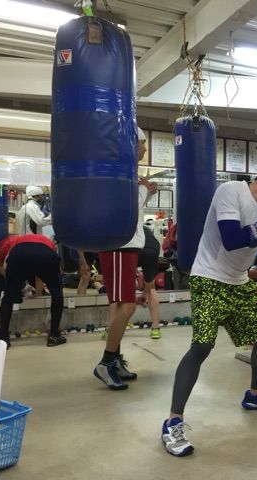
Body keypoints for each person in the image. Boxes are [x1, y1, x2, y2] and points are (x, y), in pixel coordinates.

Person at [161, 153, 257, 457]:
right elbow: (231, 238)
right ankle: (173, 422)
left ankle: (255, 394)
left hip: (239, 281)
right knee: (202, 346)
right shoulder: (230, 192)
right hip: (208, 277)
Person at [93, 127, 157, 390]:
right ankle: (106, 362)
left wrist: (145, 192)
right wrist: (143, 191)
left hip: (126, 245)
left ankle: (115, 359)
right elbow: (122, 209)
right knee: (126, 307)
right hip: (119, 244)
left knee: (120, 306)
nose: (145, 149)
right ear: (131, 144)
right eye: (142, 143)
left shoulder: (128, 172)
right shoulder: (119, 171)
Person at [0, 233, 66, 348]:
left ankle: (4, 338)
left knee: (8, 296)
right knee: (57, 293)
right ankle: (54, 336)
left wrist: (13, 285)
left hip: (19, 254)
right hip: (45, 254)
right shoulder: (47, 241)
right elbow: (51, 271)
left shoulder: (10, 241)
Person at [138, 226, 162, 339]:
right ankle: (156, 328)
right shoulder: (144, 228)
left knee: (122, 286)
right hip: (153, 248)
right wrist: (144, 293)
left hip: (136, 248)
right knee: (151, 287)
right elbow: (148, 284)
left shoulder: (126, 227)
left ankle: (112, 327)